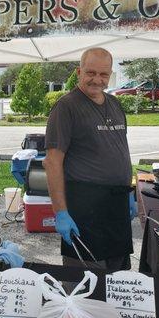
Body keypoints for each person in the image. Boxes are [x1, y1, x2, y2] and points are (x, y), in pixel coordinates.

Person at [44, 48, 136, 271]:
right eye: (91, 73)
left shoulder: (115, 104)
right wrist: (61, 212)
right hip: (84, 208)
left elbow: (120, 149)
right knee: (87, 286)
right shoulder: (66, 107)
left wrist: (130, 190)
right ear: (79, 71)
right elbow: (52, 162)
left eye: (103, 75)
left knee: (118, 280)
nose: (97, 80)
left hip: (116, 204)